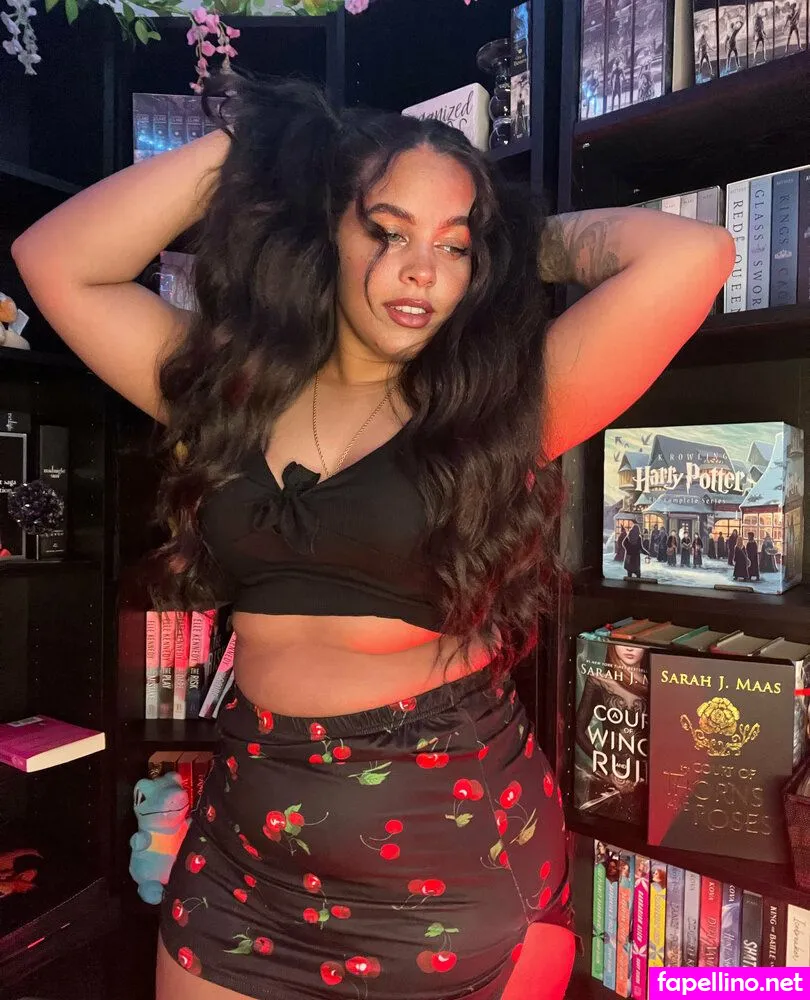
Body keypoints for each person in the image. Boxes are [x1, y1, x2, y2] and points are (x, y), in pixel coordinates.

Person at [11, 73, 733, 1000]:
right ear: (329, 234)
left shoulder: (505, 408)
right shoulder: (228, 393)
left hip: (448, 868)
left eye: (453, 246)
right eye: (388, 231)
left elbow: (695, 254)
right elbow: (55, 260)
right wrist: (264, 147)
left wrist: (508, 243)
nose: (421, 270)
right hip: (242, 856)